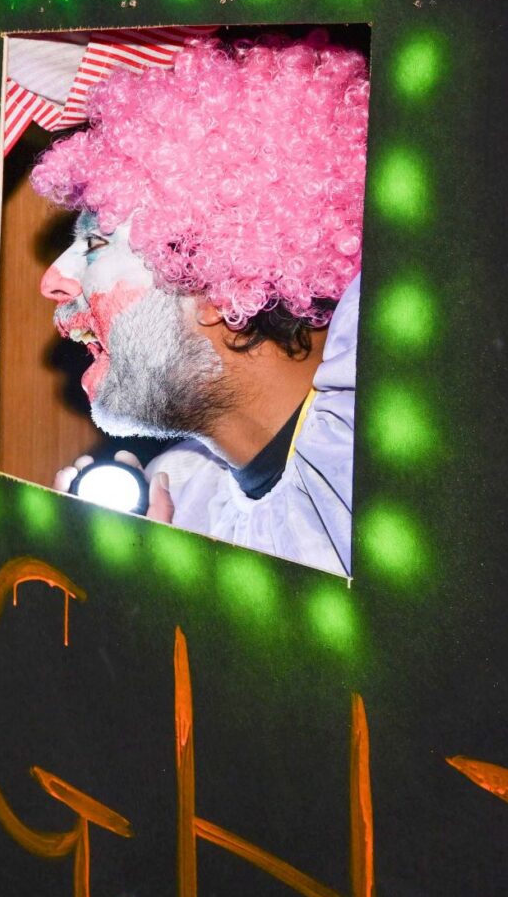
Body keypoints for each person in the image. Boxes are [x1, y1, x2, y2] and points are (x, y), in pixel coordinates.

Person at [31, 31, 368, 577]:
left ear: (213, 280)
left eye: (94, 244)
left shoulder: (402, 453)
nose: (53, 280)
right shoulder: (180, 498)